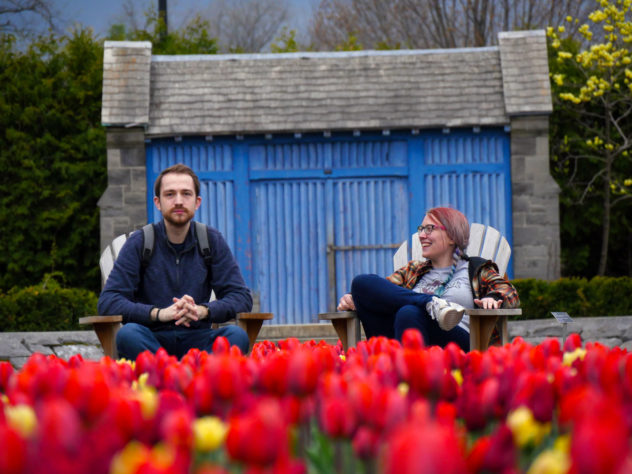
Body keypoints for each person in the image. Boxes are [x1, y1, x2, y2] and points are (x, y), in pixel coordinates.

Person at [98, 163, 252, 359]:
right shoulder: (140, 243)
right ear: (158, 202)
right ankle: (179, 374)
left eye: (186, 194)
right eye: (170, 194)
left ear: (197, 202)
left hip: (199, 339)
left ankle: (178, 374)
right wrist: (158, 314)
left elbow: (241, 297)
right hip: (151, 339)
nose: (178, 201)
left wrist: (203, 311)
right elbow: (108, 301)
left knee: (236, 335)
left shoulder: (211, 241)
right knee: (128, 335)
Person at [337, 207, 519, 351]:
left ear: (451, 236)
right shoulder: (413, 270)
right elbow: (382, 291)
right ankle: (431, 303)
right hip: (401, 336)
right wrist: (353, 298)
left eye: (429, 229)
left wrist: (494, 298)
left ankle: (411, 376)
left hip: (455, 343)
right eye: (421, 229)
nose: (422, 235)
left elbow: (508, 292)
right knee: (360, 283)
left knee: (409, 311)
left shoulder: (476, 269)